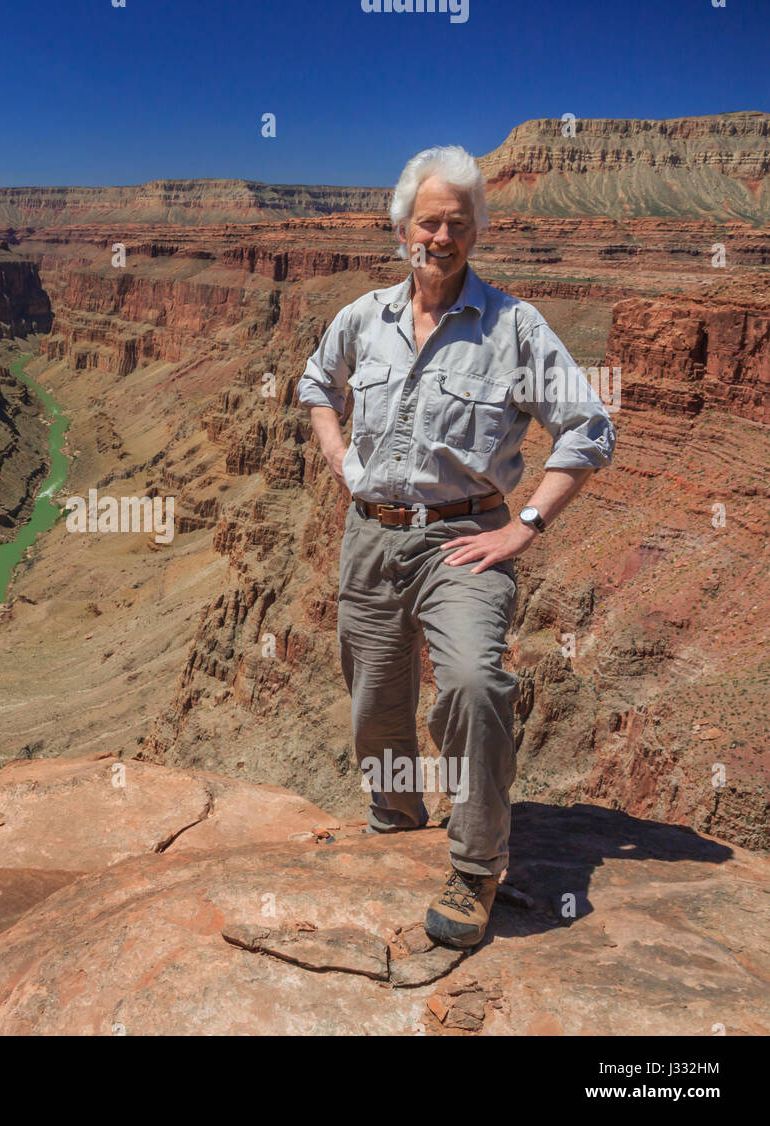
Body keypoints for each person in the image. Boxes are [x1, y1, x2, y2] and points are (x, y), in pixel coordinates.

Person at [296, 145, 616, 948]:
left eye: (458, 225)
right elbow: (315, 387)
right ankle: (395, 814)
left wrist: (525, 525)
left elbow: (588, 428)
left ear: (475, 233)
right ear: (402, 225)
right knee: (375, 703)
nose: (441, 237)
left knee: (475, 681)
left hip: (467, 538)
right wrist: (341, 461)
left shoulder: (513, 325)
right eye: (429, 221)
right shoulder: (363, 317)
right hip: (370, 535)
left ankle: (476, 869)